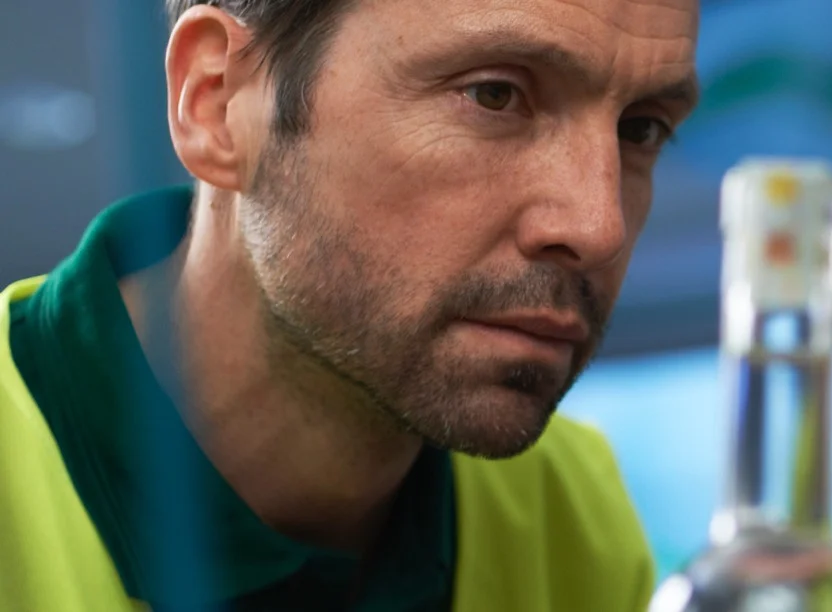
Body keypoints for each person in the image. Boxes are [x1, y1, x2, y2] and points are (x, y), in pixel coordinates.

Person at [0, 0, 699, 609]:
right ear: (217, 101)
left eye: (640, 129)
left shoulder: (572, 514)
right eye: (493, 95)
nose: (597, 226)